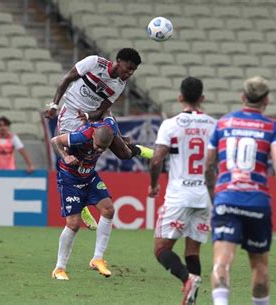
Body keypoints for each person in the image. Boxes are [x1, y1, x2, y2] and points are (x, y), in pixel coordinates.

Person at [205, 76, 276, 305]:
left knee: (222, 263)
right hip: (257, 201)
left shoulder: (222, 124)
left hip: (226, 197)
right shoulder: (273, 128)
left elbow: (208, 165)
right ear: (267, 100)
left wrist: (215, 195)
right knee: (260, 266)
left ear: (243, 97)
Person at [46, 48, 151, 229]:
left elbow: (102, 110)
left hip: (90, 118)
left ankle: (138, 149)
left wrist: (89, 117)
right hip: (71, 114)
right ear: (119, 61)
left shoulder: (119, 85)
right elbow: (67, 79)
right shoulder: (94, 62)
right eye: (128, 68)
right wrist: (54, 104)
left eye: (133, 70)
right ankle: (82, 206)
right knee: (75, 160)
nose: (130, 73)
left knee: (123, 153)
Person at [148, 77, 216, 305]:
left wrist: (154, 184)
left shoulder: (171, 124)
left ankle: (187, 279)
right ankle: (192, 300)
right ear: (202, 98)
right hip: (202, 195)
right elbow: (213, 165)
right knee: (192, 250)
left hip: (179, 194)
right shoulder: (213, 124)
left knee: (160, 248)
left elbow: (156, 160)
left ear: (180, 98)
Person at [50, 118, 139, 280]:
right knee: (73, 224)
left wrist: (122, 138)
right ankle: (59, 269)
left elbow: (110, 118)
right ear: (93, 137)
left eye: (103, 148)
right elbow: (55, 140)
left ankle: (97, 258)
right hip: (70, 178)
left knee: (108, 209)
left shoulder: (110, 129)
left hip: (89, 176)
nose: (99, 149)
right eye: (97, 146)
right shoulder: (82, 135)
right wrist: (65, 156)